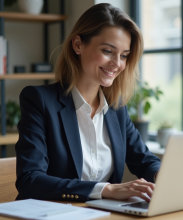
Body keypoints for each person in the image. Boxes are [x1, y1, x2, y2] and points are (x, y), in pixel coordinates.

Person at [15, 3, 161, 203]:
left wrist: (159, 175)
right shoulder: (39, 100)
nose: (117, 63)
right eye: (108, 51)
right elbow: (30, 181)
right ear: (77, 45)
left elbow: (144, 160)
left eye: (124, 55)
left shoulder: (116, 108)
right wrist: (105, 190)